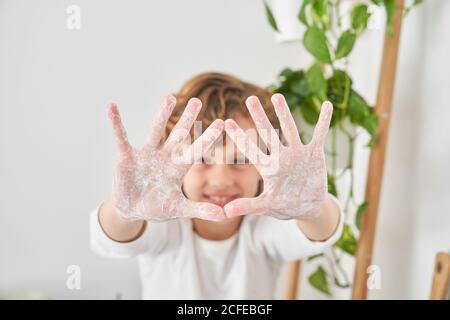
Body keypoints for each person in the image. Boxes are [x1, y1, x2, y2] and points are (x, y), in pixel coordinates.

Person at [90, 72, 343, 299]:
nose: (221, 180)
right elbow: (113, 238)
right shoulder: (163, 224)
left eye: (240, 160)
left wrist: (314, 209)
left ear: (263, 169)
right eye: (202, 159)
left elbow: (320, 232)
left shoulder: (263, 228)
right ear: (173, 164)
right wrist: (125, 210)